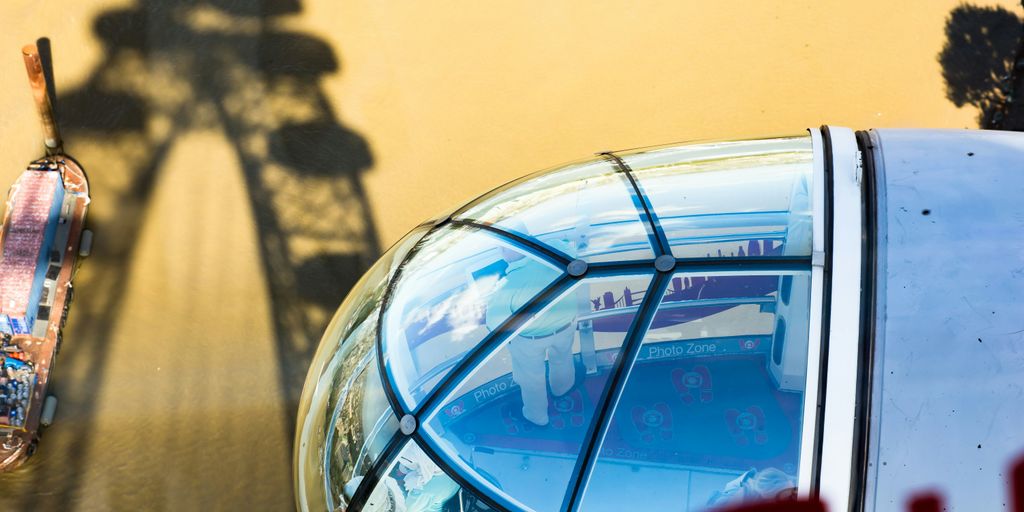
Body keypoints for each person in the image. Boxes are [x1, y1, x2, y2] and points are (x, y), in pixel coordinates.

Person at [484, 239, 579, 426]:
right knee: (563, 359)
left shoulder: (507, 285)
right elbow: (572, 253)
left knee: (531, 379)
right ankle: (562, 390)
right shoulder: (557, 251)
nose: (501, 254)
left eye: (502, 248)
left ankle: (537, 417)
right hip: (565, 325)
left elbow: (495, 324)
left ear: (508, 249)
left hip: (531, 339)